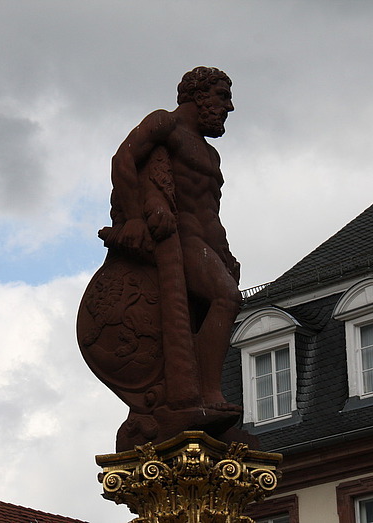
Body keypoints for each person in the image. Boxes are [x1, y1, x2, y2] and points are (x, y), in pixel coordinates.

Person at [79, 67, 243, 448]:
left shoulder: (210, 154)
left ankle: (201, 393)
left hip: (206, 242)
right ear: (198, 94)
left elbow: (211, 212)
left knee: (213, 308)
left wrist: (224, 253)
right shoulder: (164, 124)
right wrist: (134, 217)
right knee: (226, 300)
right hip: (178, 238)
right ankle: (206, 393)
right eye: (221, 96)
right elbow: (124, 159)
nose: (228, 107)